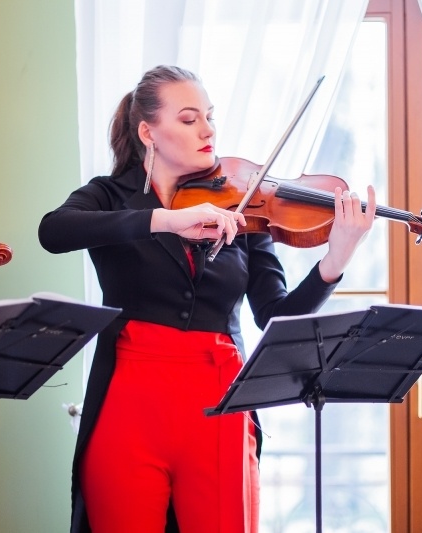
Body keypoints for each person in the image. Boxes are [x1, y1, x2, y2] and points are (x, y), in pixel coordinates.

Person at [38, 65, 376, 533]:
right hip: (127, 407)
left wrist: (335, 260)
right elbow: (53, 232)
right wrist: (164, 220)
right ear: (148, 132)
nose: (208, 129)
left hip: (219, 405)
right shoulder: (109, 195)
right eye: (189, 118)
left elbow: (277, 314)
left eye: (210, 117)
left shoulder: (244, 203)